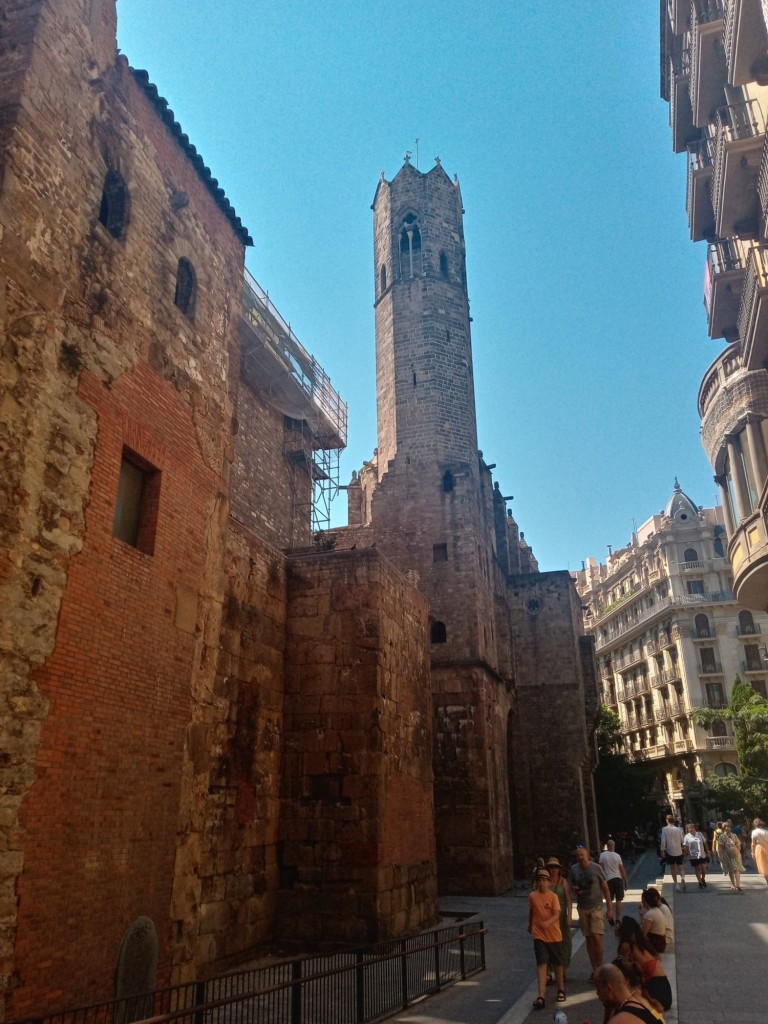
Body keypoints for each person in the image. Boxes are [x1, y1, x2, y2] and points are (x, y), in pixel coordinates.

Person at [569, 843, 615, 979]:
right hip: (582, 907)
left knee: (596, 937)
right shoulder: (574, 869)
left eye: (582, 854)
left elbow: (605, 888)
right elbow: (571, 885)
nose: (580, 857)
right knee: (589, 939)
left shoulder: (596, 868)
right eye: (577, 855)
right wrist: (574, 890)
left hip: (596, 907)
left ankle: (600, 966)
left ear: (587, 855)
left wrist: (610, 909)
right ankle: (595, 968)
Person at [615, 917, 672, 1011]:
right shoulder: (641, 943)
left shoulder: (626, 945)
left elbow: (619, 964)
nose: (617, 926)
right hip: (665, 993)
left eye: (620, 924)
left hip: (656, 994)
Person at [528, 868, 566, 1009]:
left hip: (554, 935)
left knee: (557, 963)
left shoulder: (553, 897)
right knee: (541, 963)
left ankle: (561, 989)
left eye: (545, 880)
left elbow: (556, 914)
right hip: (539, 934)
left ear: (549, 882)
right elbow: (532, 911)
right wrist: (530, 925)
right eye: (540, 880)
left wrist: (547, 923)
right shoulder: (533, 896)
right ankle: (541, 996)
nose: (542, 883)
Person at [595, 964, 666, 1024]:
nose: (597, 994)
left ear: (608, 989)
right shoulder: (635, 1004)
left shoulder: (620, 1020)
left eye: (598, 989)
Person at [546, 857, 572, 985]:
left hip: (561, 918)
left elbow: (568, 900)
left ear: (559, 869)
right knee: (549, 945)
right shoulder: (544, 882)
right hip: (549, 918)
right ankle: (549, 972)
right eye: (551, 867)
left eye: (555, 867)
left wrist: (569, 915)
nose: (553, 869)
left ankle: (562, 970)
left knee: (563, 944)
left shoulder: (563, 882)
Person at [599, 839, 630, 919]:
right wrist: (626, 881)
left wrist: (600, 882)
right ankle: (618, 918)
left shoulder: (602, 855)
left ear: (607, 846)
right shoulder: (617, 856)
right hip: (618, 879)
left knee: (609, 900)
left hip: (608, 880)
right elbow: (622, 869)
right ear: (614, 846)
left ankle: (610, 915)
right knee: (619, 900)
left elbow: (601, 869)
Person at [659, 814, 686, 891]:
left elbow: (663, 840)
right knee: (681, 867)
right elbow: (682, 840)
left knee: (672, 868)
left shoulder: (664, 829)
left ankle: (676, 884)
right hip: (678, 850)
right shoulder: (678, 829)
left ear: (667, 820)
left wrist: (662, 850)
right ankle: (683, 877)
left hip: (670, 851)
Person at [717, 820, 745, 891]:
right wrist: (721, 856)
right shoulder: (722, 837)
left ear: (730, 827)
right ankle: (734, 884)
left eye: (728, 826)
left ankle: (737, 885)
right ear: (723, 828)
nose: (727, 828)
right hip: (727, 856)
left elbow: (738, 845)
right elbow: (720, 847)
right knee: (731, 870)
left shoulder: (733, 836)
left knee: (736, 870)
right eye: (725, 827)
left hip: (734, 855)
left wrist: (737, 852)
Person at [638, 888, 667, 953]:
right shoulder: (656, 910)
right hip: (661, 942)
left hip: (656, 943)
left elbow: (644, 934)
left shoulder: (650, 914)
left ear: (644, 900)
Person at [682, 821, 710, 888]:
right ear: (687, 829)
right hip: (693, 855)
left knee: (703, 868)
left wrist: (708, 851)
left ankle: (703, 878)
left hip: (702, 854)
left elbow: (705, 842)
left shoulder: (699, 834)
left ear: (694, 828)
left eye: (692, 827)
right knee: (697, 868)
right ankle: (700, 882)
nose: (691, 828)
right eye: (689, 828)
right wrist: (685, 856)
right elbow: (686, 847)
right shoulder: (687, 837)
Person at [751, 817, 768, 886]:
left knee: (763, 865)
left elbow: (753, 844)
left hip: (759, 848)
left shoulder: (754, 832)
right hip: (767, 847)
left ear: (755, 824)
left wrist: (753, 853)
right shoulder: (766, 831)